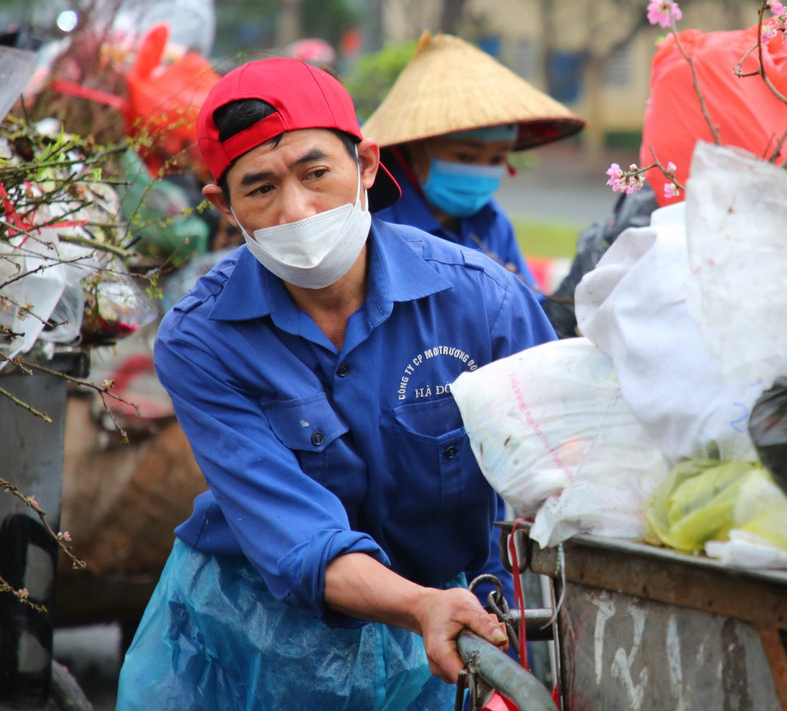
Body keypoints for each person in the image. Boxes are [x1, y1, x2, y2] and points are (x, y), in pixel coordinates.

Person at [115, 57, 556, 710]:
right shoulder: (200, 338)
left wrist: (512, 642)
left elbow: (554, 482)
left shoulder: (483, 301)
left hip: (449, 626)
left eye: (316, 173)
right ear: (223, 205)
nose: (296, 209)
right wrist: (421, 607)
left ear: (369, 165)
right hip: (251, 638)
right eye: (259, 188)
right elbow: (294, 535)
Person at [362, 31, 584, 294]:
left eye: (497, 158)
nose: (480, 171)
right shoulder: (373, 224)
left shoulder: (492, 223)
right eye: (464, 156)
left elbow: (527, 304)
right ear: (415, 147)